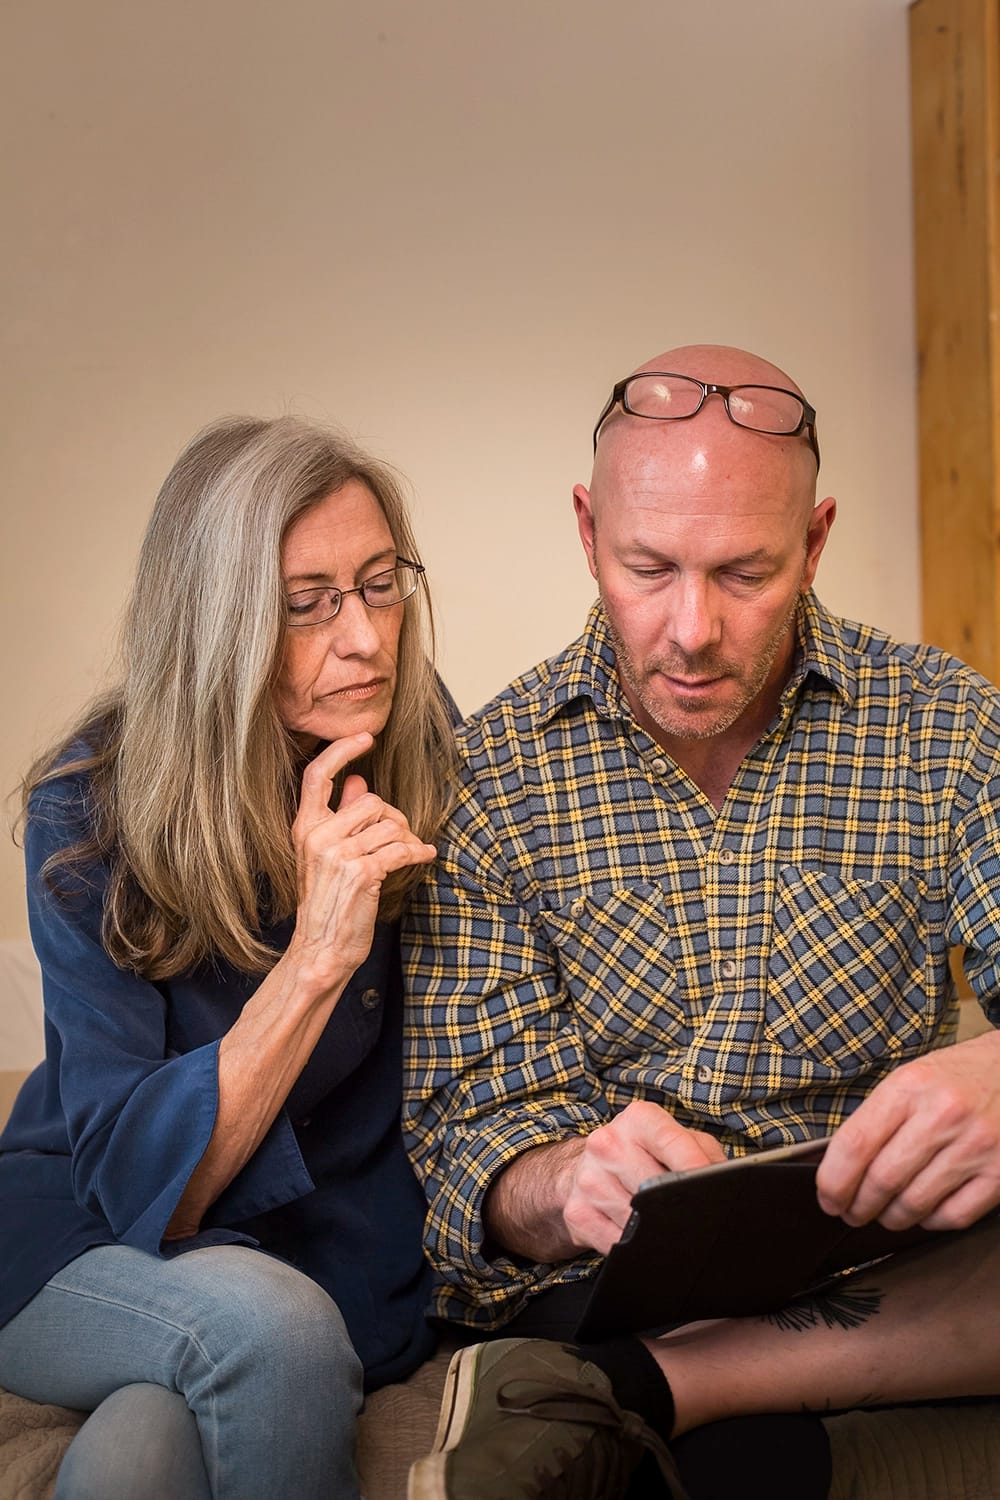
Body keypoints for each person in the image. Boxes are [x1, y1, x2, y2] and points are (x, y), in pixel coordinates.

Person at [401, 345, 1000, 1500]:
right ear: (586, 531)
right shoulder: (490, 777)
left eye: (744, 574)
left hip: (885, 1251)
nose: (690, 629)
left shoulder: (947, 728)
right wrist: (566, 1181)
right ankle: (670, 1379)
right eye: (646, 567)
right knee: (743, 1468)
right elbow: (471, 1155)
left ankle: (665, 1384)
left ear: (815, 541)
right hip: (608, 1282)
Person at [0, 414, 456, 1500]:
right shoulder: (88, 809)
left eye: (381, 583)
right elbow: (136, 1185)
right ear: (215, 624)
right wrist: (316, 958)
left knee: (150, 1436)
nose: (364, 639)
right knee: (270, 1332)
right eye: (306, 607)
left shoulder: (422, 745)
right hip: (80, 1231)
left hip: (326, 1236)